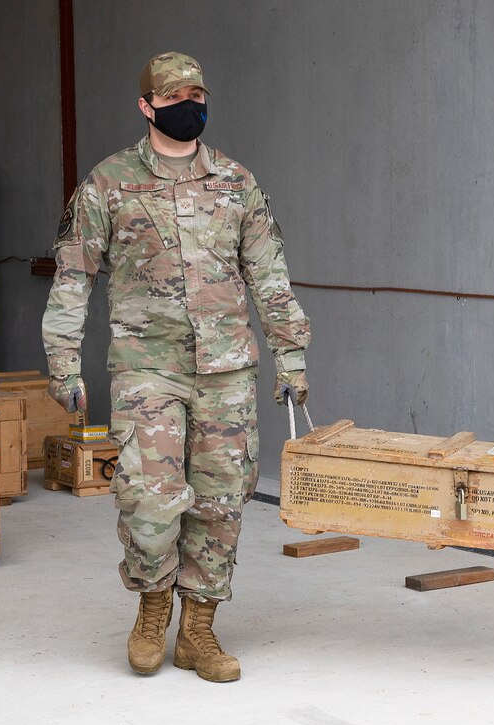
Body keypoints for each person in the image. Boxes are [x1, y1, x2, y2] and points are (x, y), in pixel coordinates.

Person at [42, 52, 311, 683]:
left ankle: (198, 632)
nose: (188, 105)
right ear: (147, 106)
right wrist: (63, 362)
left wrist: (291, 355)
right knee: (148, 498)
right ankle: (152, 609)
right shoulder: (109, 183)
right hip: (147, 369)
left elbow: (269, 274)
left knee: (221, 501)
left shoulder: (236, 182)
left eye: (196, 95)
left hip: (226, 370)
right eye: (173, 97)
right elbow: (73, 276)